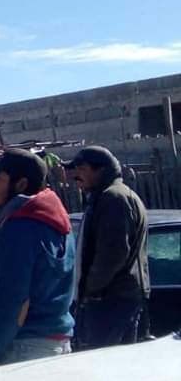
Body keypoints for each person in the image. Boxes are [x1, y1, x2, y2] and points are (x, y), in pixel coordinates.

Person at [0, 149, 75, 368]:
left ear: (20, 184)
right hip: (57, 342)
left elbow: (14, 300)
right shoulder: (60, 223)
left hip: (25, 348)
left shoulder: (20, 227)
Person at [66, 146, 150, 349]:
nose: (76, 175)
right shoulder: (105, 196)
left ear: (101, 170)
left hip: (112, 300)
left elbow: (113, 254)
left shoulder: (114, 199)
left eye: (82, 169)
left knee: (103, 366)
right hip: (113, 298)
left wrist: (90, 289)